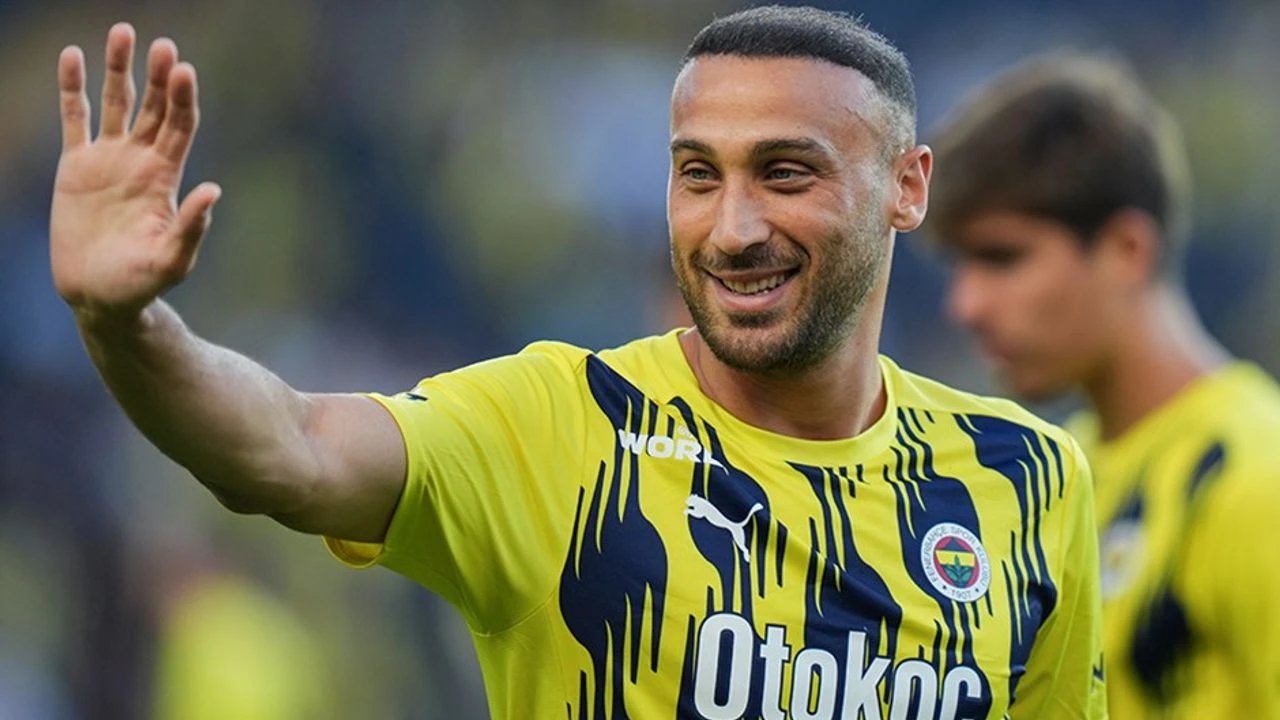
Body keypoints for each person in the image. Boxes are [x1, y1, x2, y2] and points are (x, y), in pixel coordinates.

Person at [51, 7, 1106, 718]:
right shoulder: (563, 424)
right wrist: (126, 323)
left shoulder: (1025, 479)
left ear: (907, 188)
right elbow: (289, 447)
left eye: (786, 173)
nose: (733, 226)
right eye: (698, 175)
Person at [929, 54, 1280, 719]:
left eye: (1002, 257)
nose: (966, 305)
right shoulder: (1052, 478)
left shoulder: (1256, 478)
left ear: (1126, 250)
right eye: (960, 265)